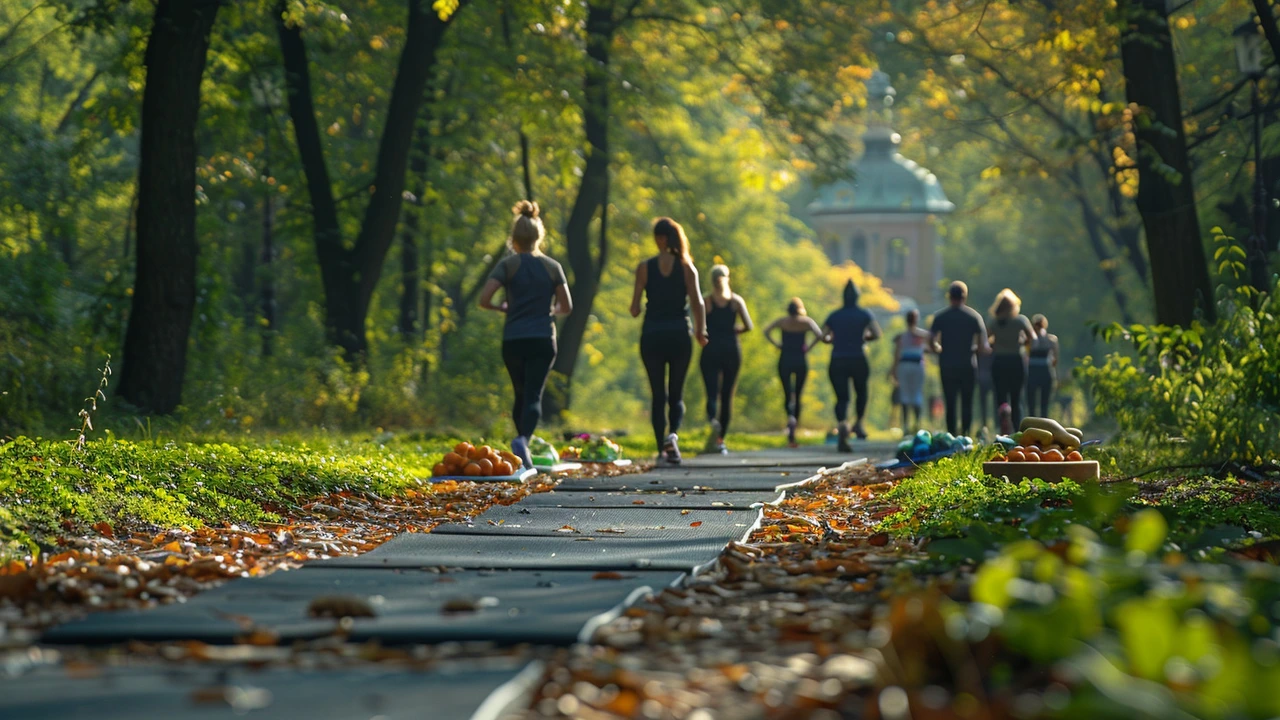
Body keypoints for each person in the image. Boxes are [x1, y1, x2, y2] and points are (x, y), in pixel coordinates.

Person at [478, 200, 573, 470]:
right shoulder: (552, 267)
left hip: (514, 339)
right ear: (538, 235)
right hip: (543, 337)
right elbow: (567, 306)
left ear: (514, 237)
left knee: (520, 393)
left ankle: (521, 450)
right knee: (533, 394)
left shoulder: (507, 266)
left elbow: (485, 299)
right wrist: (549, 310)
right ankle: (523, 440)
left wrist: (502, 307)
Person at [630, 217, 707, 464]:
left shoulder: (644, 267)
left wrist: (642, 304)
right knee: (676, 393)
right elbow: (698, 303)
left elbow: (634, 309)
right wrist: (700, 331)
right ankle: (672, 436)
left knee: (657, 394)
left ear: (658, 239)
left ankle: (660, 449)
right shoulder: (687, 267)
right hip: (678, 335)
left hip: (652, 334)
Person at [699, 264, 754, 454]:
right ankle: (721, 439)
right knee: (727, 395)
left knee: (712, 393)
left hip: (711, 349)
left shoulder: (706, 301)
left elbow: (699, 327)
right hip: (731, 350)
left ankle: (712, 422)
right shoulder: (736, 301)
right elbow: (749, 325)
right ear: (727, 279)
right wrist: (735, 329)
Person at [823, 280, 882, 451]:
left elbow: (823, 336)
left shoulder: (834, 316)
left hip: (838, 359)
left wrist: (832, 339)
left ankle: (842, 424)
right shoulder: (865, 314)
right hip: (858, 358)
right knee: (861, 392)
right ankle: (858, 424)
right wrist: (864, 338)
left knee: (842, 397)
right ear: (857, 297)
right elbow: (877, 333)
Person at [930, 281, 990, 437]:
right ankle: (965, 435)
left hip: (947, 364)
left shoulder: (941, 317)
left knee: (950, 402)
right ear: (965, 296)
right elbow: (983, 345)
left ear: (949, 297)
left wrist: (938, 348)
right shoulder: (974, 317)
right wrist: (975, 349)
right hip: (968, 364)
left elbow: (932, 341)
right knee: (967, 402)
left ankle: (951, 435)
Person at [764, 298, 823, 447]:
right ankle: (794, 429)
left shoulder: (782, 321)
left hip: (785, 359)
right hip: (800, 359)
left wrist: (777, 344)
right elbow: (820, 335)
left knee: (787, 392)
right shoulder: (806, 322)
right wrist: (808, 347)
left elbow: (766, 331)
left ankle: (789, 417)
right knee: (798, 393)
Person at [987, 288, 1035, 429]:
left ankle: (1002, 427)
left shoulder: (994, 322)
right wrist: (1022, 342)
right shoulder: (1020, 320)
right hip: (1016, 361)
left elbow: (986, 340)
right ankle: (1017, 427)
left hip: (999, 362)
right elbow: (1033, 337)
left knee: (1001, 397)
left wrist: (995, 343)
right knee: (1016, 398)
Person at [890, 308, 930, 433]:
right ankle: (917, 424)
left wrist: (893, 370)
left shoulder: (901, 337)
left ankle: (906, 425)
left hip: (904, 365)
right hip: (917, 365)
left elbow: (897, 354)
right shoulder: (922, 335)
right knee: (916, 393)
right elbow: (931, 345)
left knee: (905, 395)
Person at [1025, 313, 1060, 418]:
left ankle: (1033, 424)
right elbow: (1055, 360)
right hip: (1045, 371)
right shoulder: (1051, 340)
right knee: (1043, 404)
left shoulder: (1030, 340)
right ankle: (1043, 424)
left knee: (1033, 403)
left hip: (1033, 372)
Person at [977, 352, 994, 431]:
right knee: (984, 403)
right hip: (986, 377)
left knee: (985, 403)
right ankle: (984, 425)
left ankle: (986, 425)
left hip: (985, 376)